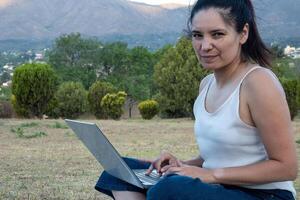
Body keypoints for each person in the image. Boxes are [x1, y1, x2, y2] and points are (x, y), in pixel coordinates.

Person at [95, 0, 298, 199]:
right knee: (118, 171)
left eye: (217, 34)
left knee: (169, 189)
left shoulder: (258, 82)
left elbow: (286, 167)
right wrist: (182, 165)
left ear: (243, 33)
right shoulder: (206, 84)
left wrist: (211, 175)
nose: (205, 45)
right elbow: (216, 157)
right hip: (219, 188)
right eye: (197, 35)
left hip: (263, 194)